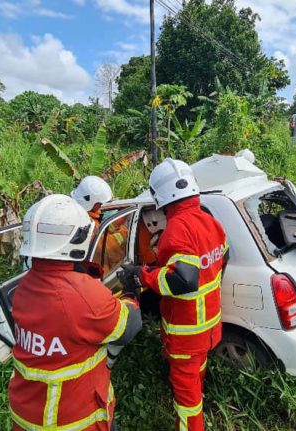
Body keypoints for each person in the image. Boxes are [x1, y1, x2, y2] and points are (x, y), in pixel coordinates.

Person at [9, 194, 142, 431]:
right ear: (78, 238)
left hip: (25, 415)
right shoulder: (83, 295)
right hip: (74, 420)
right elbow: (129, 326)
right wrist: (131, 296)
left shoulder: (23, 289)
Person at [120, 158, 228, 431]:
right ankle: (196, 388)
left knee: (187, 397)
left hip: (187, 331)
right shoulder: (210, 221)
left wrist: (142, 274)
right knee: (196, 372)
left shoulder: (177, 228)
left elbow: (183, 279)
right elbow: (222, 258)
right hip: (210, 324)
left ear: (160, 196)